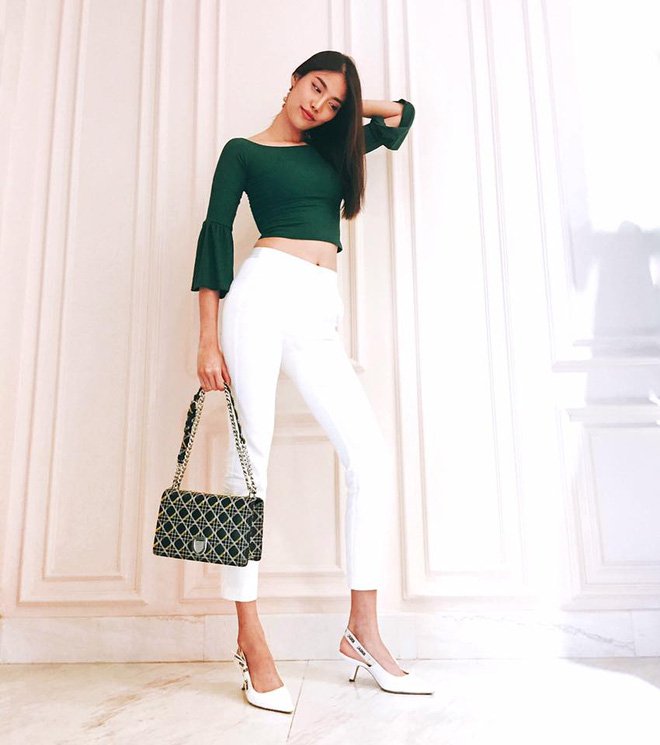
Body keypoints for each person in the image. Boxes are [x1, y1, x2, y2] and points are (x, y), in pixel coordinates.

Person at [191, 50, 433, 712]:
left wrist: (348, 108)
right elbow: (215, 233)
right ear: (293, 78)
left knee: (369, 458)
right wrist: (207, 337)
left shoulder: (332, 148)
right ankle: (250, 637)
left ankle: (362, 632)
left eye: (331, 103)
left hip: (319, 307)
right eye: (314, 87)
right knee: (250, 464)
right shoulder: (243, 152)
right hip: (260, 296)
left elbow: (403, 118)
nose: (317, 106)